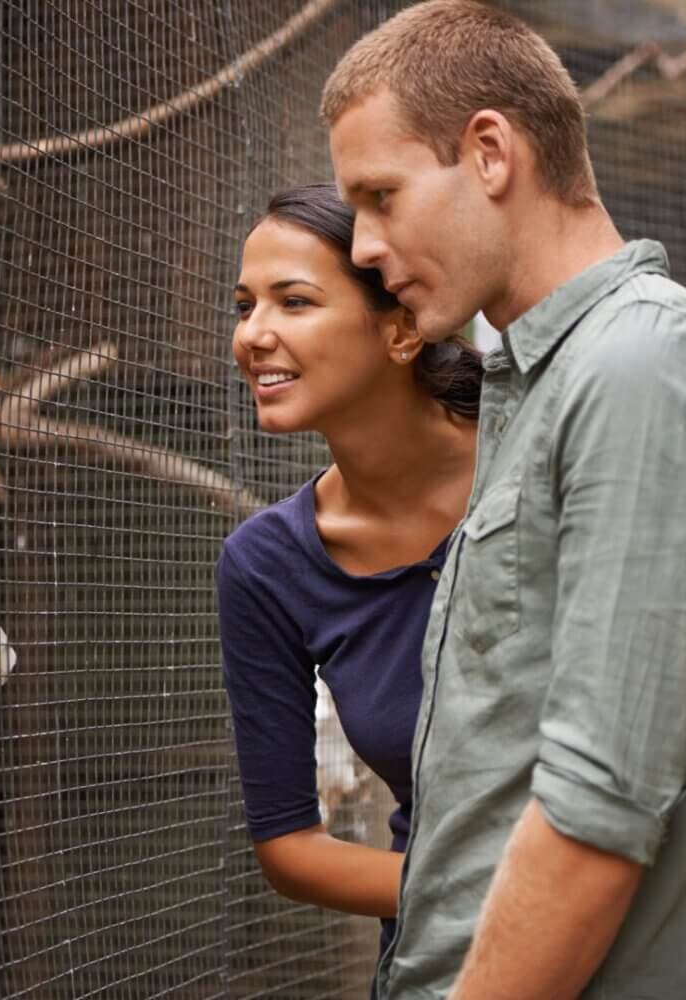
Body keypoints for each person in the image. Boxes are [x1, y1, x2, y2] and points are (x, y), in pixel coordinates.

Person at [321, 2, 686, 998]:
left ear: (489, 152)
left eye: (380, 195)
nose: (361, 245)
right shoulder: (530, 380)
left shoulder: (636, 366)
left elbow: (597, 807)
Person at [217, 182, 481, 973]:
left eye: (293, 302)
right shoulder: (265, 564)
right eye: (244, 305)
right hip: (446, 955)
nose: (253, 335)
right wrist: (487, 895)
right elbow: (291, 847)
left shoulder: (541, 451)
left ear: (401, 331)